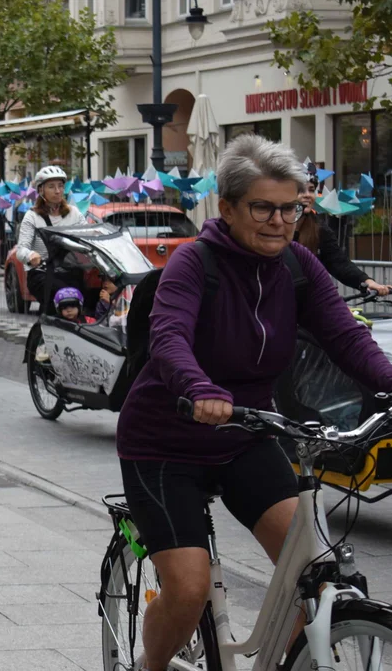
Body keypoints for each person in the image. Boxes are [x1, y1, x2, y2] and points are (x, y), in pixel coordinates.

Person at [117, 135, 392, 671]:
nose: (278, 220)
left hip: (247, 435)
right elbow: (169, 338)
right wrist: (200, 391)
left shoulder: (300, 267)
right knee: (190, 586)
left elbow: (348, 340)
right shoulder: (194, 264)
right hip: (165, 441)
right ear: (228, 207)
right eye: (263, 207)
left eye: (290, 207)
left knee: (316, 572)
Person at [295, 166, 390, 296]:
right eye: (300, 190)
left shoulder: (319, 229)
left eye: (311, 190)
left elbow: (339, 263)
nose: (307, 195)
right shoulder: (274, 225)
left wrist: (368, 282)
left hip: (309, 303)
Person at [14, 165, 86, 313]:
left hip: (70, 271)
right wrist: (31, 255)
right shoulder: (32, 216)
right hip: (42, 273)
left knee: (90, 297)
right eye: (51, 187)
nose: (58, 191)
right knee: (63, 296)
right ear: (41, 190)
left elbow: (87, 238)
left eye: (60, 186)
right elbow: (21, 250)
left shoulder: (74, 213)